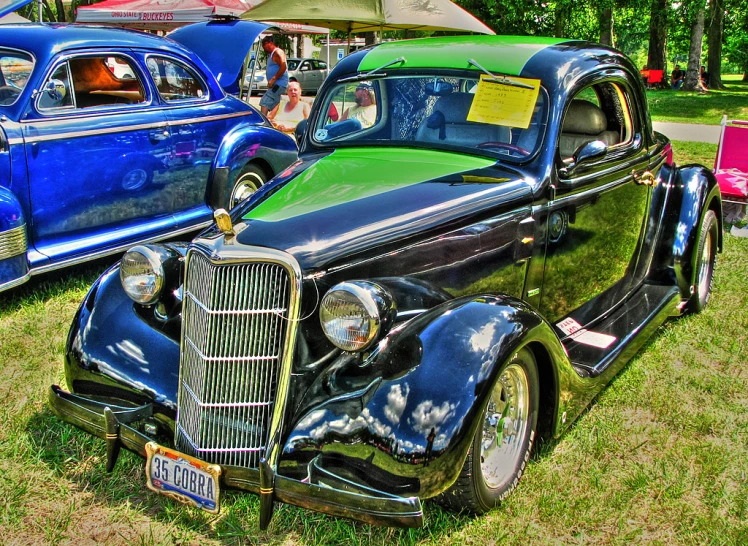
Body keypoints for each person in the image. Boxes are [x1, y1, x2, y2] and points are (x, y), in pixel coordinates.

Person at [259, 35, 288, 116]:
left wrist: (273, 79)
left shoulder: (277, 52)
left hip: (279, 84)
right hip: (276, 85)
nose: (264, 48)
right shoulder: (272, 54)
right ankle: (273, 121)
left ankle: (264, 122)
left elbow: (283, 66)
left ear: (270, 43)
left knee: (265, 102)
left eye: (264, 45)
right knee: (276, 105)